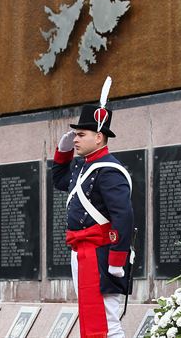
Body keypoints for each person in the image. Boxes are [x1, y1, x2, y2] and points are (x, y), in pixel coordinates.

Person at [52, 79, 134, 338]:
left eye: (80, 135)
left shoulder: (109, 171)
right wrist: (63, 152)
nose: (75, 139)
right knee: (91, 318)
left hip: (102, 254)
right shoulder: (82, 166)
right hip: (83, 252)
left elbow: (124, 216)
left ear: (99, 137)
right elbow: (59, 180)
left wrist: (117, 260)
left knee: (107, 323)